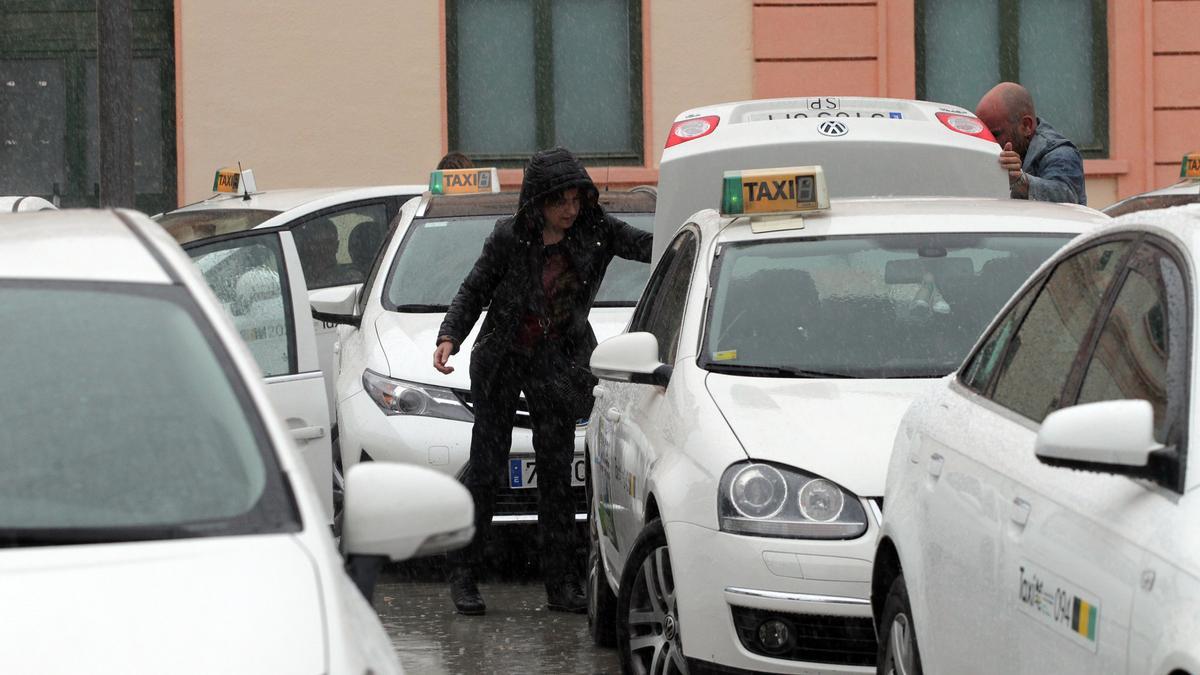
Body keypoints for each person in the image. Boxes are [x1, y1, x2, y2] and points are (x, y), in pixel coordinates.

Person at [432, 147, 652, 615]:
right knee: (486, 468)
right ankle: (465, 574)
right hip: (502, 359)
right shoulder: (509, 237)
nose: (570, 210)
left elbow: (652, 246)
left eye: (576, 199)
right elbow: (474, 288)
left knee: (556, 475)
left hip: (559, 362)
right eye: (560, 202)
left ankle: (562, 583)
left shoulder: (597, 231)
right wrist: (450, 335)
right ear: (537, 202)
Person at [975, 82, 1087, 205]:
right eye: (984, 135)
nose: (988, 142)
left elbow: (1067, 199)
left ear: (1026, 126)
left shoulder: (1060, 153)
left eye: (995, 135)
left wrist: (1021, 181)